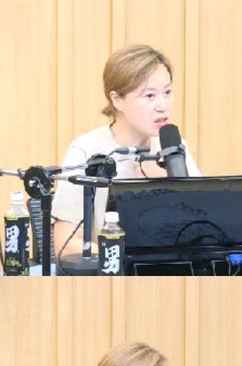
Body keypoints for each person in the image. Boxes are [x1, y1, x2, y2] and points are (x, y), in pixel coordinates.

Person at [52, 43, 201, 257]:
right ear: (117, 99)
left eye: (168, 92)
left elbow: (204, 227)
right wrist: (125, 259)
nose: (163, 105)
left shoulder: (175, 147)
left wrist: (169, 186)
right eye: (149, 96)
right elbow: (65, 243)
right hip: (112, 271)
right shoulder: (86, 151)